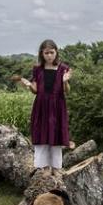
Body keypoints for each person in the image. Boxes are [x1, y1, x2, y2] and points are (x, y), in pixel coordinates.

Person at [18, 39, 75, 172]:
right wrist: (28, 86)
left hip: (57, 106)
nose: (49, 55)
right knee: (41, 137)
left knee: (56, 137)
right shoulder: (37, 69)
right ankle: (42, 172)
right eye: (46, 53)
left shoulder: (63, 69)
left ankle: (57, 171)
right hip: (41, 107)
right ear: (42, 54)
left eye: (52, 52)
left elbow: (67, 90)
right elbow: (36, 90)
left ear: (56, 52)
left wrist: (65, 81)